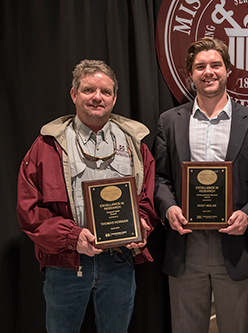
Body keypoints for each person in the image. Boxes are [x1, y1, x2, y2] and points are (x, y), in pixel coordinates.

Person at [17, 59, 158, 333]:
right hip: (67, 264)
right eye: (88, 90)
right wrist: (72, 238)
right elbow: (29, 211)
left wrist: (141, 221)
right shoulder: (47, 146)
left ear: (114, 98)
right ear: (74, 94)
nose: (97, 97)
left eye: (105, 92)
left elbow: (147, 198)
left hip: (119, 261)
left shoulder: (134, 143)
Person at [154, 37, 248, 332]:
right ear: (190, 74)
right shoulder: (169, 121)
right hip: (186, 245)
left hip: (236, 245)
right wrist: (168, 208)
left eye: (215, 65)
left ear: (228, 70)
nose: (209, 72)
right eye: (200, 66)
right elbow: (159, 177)